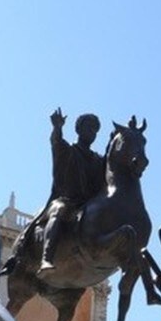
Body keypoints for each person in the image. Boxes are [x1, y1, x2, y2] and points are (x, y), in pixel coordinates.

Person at [38, 108, 105, 272]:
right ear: (79, 129)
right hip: (67, 200)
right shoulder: (68, 151)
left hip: (86, 206)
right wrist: (57, 127)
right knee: (59, 211)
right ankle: (46, 258)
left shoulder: (98, 160)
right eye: (89, 127)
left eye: (95, 130)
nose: (92, 132)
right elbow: (56, 142)